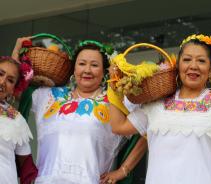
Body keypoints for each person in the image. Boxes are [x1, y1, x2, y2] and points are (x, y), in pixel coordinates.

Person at [108, 34, 211, 184]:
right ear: (178, 66)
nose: (193, 66)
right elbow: (119, 126)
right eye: (187, 59)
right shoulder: (156, 104)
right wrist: (114, 86)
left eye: (201, 61)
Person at [12, 38, 147, 184]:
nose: (87, 70)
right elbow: (14, 86)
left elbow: (149, 124)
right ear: (74, 69)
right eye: (82, 64)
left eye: (94, 65)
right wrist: (17, 50)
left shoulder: (115, 100)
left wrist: (123, 170)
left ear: (104, 71)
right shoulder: (49, 96)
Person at [0, 56, 37, 184]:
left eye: (10, 80)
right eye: (0, 74)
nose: (2, 82)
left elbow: (26, 167)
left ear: (13, 89)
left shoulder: (16, 119)